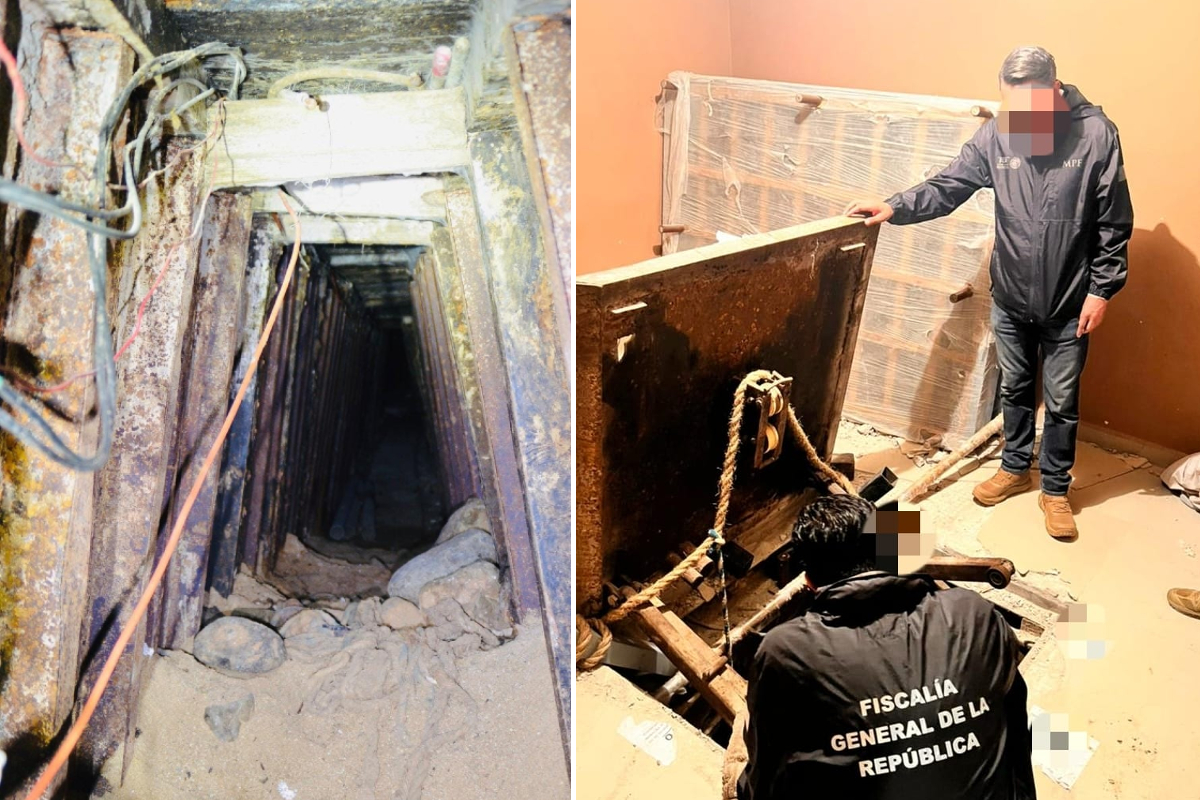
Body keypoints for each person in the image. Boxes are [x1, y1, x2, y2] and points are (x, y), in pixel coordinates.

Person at [846, 46, 1134, 541]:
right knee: (1014, 389)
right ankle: (1015, 467)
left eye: (1032, 111)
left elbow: (1113, 222)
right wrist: (894, 206)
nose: (1022, 120)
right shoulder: (1000, 134)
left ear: (1055, 92)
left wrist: (1101, 291)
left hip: (1069, 302)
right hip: (1012, 297)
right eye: (1013, 109)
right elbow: (949, 185)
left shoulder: (1095, 136)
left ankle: (1057, 489)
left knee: (1061, 402)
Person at [736, 495, 1035, 799]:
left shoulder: (785, 651)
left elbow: (768, 778)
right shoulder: (974, 613)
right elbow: (1017, 732)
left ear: (809, 580)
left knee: (742, 745)